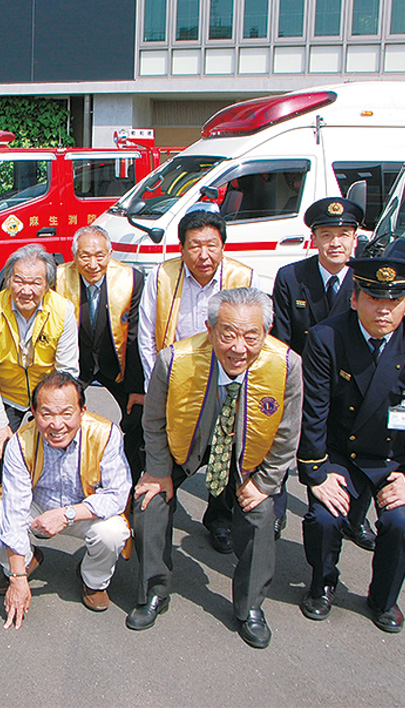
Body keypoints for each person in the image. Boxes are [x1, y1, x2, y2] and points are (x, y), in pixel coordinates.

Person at [129, 287, 301, 649]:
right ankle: (153, 591)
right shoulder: (173, 360)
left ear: (266, 332)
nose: (239, 348)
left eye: (251, 336)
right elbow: (154, 421)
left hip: (247, 449)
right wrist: (158, 471)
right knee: (149, 503)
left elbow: (287, 434)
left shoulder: (287, 366)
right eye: (228, 334)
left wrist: (265, 483)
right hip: (187, 441)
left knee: (262, 513)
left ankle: (250, 607)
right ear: (210, 329)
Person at [297, 255, 405, 634]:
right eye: (373, 298)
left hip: (394, 458)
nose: (383, 310)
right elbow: (313, 412)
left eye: (394, 300)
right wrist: (316, 472)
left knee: (401, 524)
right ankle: (323, 583)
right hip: (342, 453)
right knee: (323, 517)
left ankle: (383, 598)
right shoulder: (327, 337)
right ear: (354, 299)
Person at [136, 208, 262, 554]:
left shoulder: (244, 277)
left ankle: (219, 518)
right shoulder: (162, 276)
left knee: (224, 448)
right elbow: (147, 335)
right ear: (181, 248)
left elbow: (258, 336)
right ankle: (161, 505)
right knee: (171, 448)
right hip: (176, 379)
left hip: (228, 381)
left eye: (211, 245)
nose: (203, 255)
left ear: (223, 246)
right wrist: (156, 385)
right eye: (194, 246)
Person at [0, 371, 131, 626]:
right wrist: (17, 578)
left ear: (82, 411)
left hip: (83, 510)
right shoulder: (20, 442)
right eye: (46, 414)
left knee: (113, 531)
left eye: (66, 413)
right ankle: (25, 563)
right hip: (36, 507)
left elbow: (117, 495)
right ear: (34, 412)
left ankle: (94, 580)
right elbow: (15, 509)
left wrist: (66, 514)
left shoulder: (105, 434)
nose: (57, 424)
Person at [271, 196, 375, 548]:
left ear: (355, 239)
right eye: (327, 235)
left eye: (343, 235)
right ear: (313, 239)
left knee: (357, 452)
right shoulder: (291, 277)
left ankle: (355, 517)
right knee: (283, 446)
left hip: (352, 385)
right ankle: (275, 510)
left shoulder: (366, 279)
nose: (335, 243)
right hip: (301, 382)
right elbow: (282, 339)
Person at [55, 225, 146, 476]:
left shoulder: (131, 279)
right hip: (76, 362)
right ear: (74, 256)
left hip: (116, 362)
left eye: (100, 255)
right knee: (58, 415)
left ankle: (129, 478)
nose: (93, 264)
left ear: (110, 254)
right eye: (85, 256)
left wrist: (137, 388)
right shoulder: (58, 278)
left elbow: (135, 336)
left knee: (138, 417)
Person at [0, 244, 79, 445]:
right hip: (7, 395)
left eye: (36, 283)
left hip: (48, 395)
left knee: (53, 450)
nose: (26, 290)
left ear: (47, 285)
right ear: (8, 280)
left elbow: (67, 371)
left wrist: (56, 413)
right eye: (19, 281)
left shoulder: (63, 310)